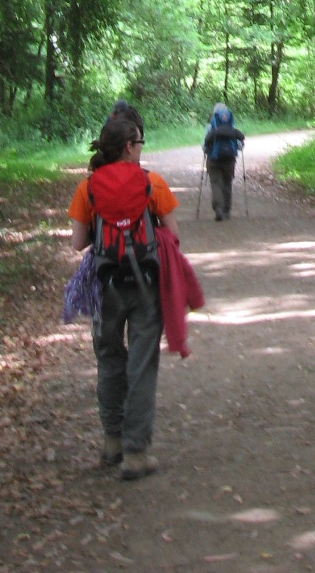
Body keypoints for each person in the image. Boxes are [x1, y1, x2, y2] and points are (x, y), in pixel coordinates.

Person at [69, 113, 179, 478]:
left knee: (110, 360)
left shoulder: (88, 188)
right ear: (129, 147)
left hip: (106, 285)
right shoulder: (153, 183)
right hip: (146, 283)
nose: (141, 149)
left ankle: (112, 442)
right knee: (142, 364)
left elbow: (78, 243)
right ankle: (136, 453)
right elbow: (173, 236)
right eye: (140, 143)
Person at [202, 102, 245, 221]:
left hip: (213, 160)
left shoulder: (210, 127)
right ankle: (226, 210)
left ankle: (218, 209)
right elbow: (240, 146)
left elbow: (204, 146)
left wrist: (207, 150)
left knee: (216, 184)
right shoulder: (232, 128)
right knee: (227, 184)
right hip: (230, 160)